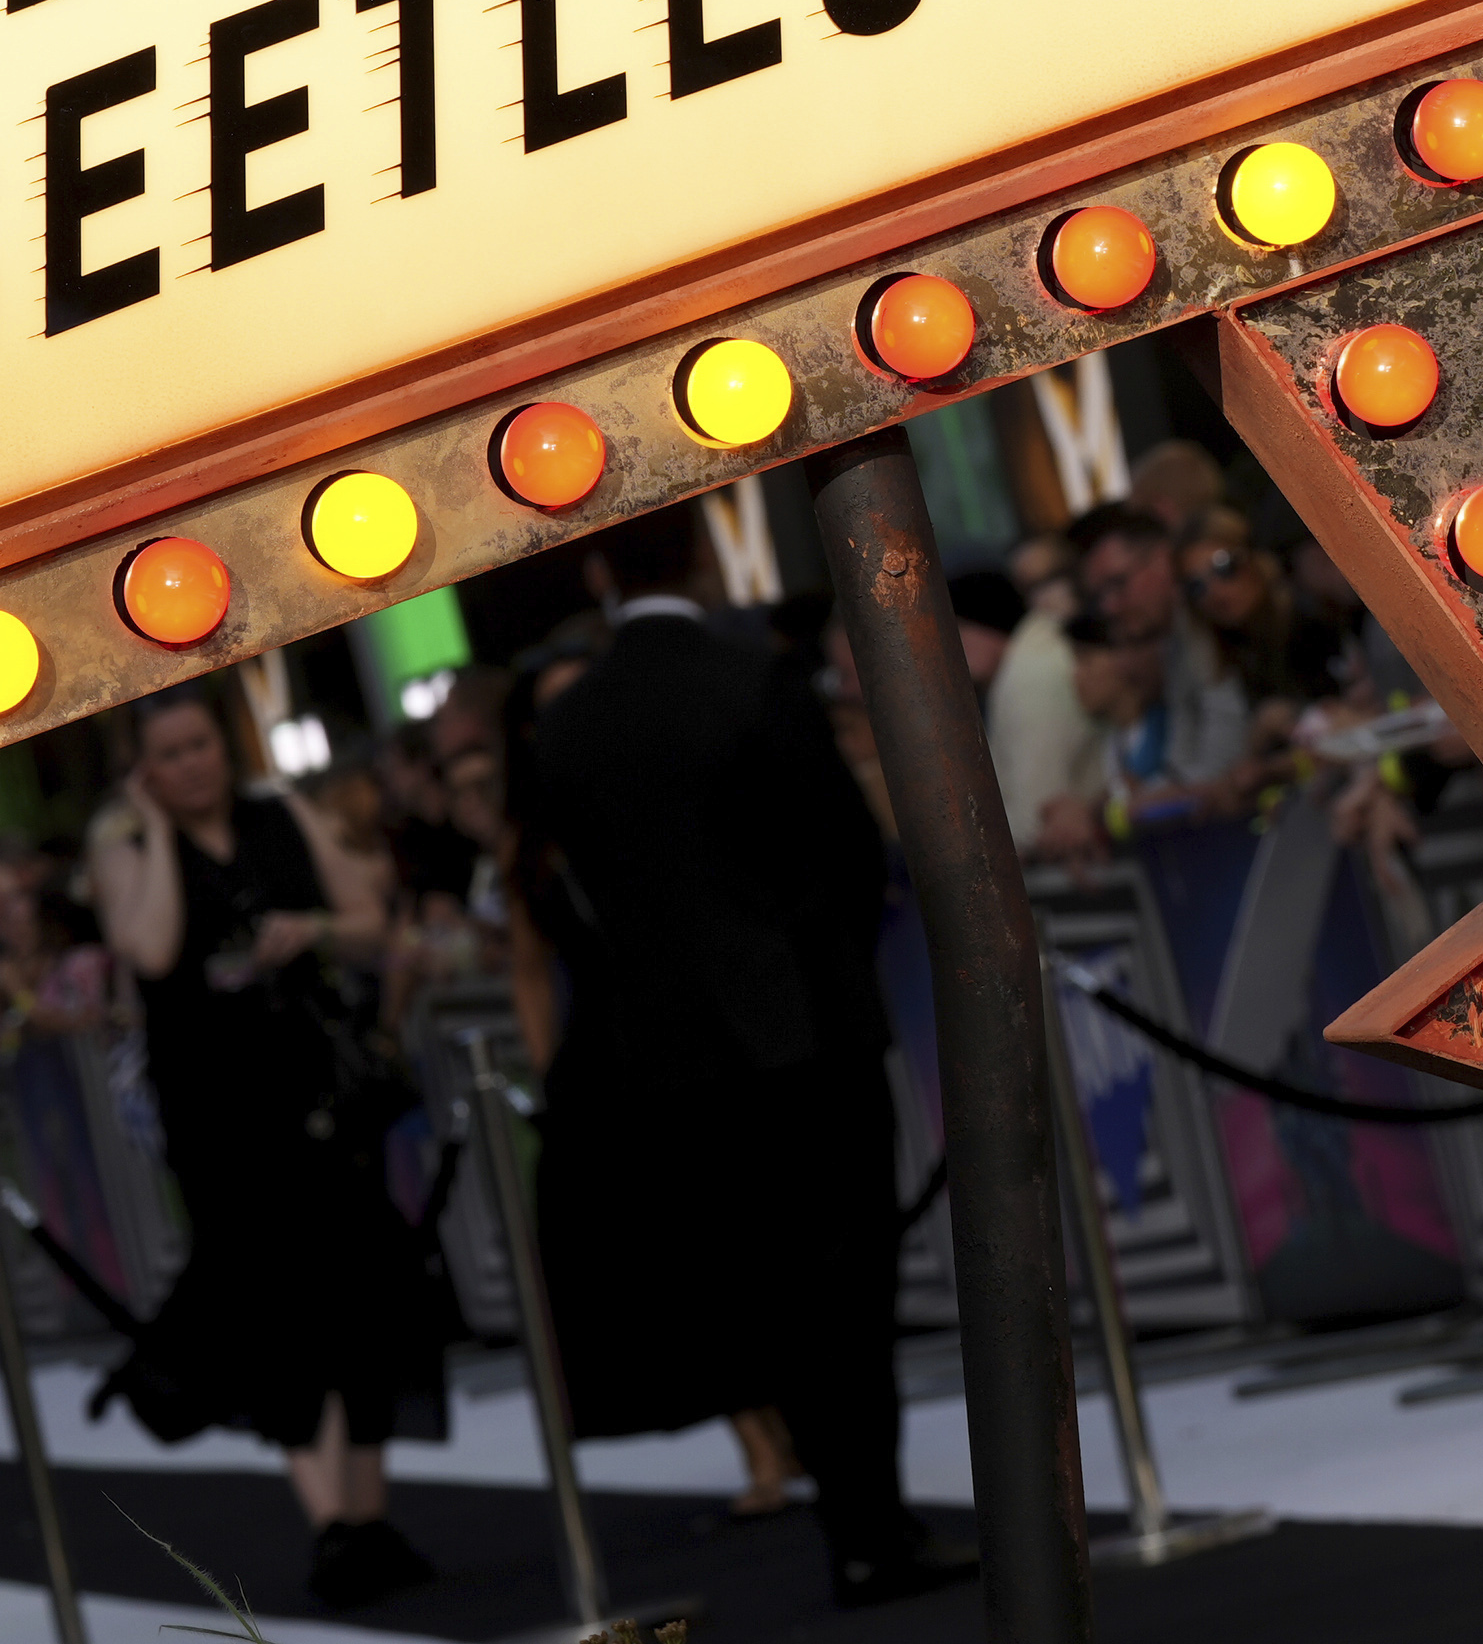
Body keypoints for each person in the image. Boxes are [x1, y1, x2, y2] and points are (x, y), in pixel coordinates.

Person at [507, 506, 966, 1611]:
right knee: (850, 1288)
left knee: (770, 1292)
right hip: (806, 1031)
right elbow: (848, 853)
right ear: (703, 556)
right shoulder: (751, 679)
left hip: (672, 1058)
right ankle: (873, 1525)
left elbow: (561, 895)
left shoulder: (566, 729)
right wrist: (830, 976)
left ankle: (853, 1528)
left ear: (604, 570)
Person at [87, 684, 446, 1612]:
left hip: (315, 1087)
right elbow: (153, 950)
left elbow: (373, 922)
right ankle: (331, 1521)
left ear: (225, 742)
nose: (191, 766)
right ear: (143, 768)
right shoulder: (123, 842)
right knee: (273, 1307)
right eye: (167, 755)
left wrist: (312, 930)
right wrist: (157, 832)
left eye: (201, 745)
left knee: (364, 1294)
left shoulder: (280, 810)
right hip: (216, 1112)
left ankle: (366, 1517)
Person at [987, 500, 1181, 868]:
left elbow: (1188, 783)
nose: (1111, 606)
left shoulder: (1161, 721)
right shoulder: (1117, 740)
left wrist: (1092, 816)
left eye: (1118, 583)